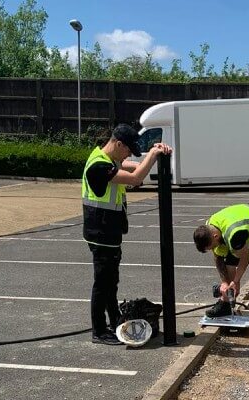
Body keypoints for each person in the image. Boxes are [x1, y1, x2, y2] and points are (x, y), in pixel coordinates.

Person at [82, 123, 171, 345]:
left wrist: (153, 154)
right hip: (101, 233)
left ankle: (114, 322)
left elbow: (132, 167)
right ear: (118, 143)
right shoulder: (99, 166)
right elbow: (135, 179)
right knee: (102, 284)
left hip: (108, 233)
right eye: (128, 149)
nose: (129, 154)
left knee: (111, 283)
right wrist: (152, 154)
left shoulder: (109, 160)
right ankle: (99, 330)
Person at [193, 204, 249, 342]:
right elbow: (218, 257)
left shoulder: (235, 234)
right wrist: (224, 282)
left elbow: (245, 257)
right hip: (242, 228)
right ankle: (225, 303)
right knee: (229, 262)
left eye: (213, 245)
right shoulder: (209, 228)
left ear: (215, 236)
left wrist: (236, 281)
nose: (214, 248)